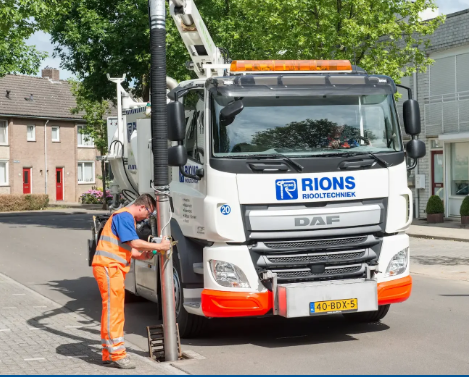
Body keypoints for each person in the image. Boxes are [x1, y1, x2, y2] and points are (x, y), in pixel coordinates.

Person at [92, 193, 171, 369]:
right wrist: (159, 246)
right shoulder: (124, 216)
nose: (148, 217)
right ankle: (118, 354)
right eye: (149, 213)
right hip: (110, 268)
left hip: (110, 267)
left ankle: (108, 353)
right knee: (115, 312)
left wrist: (147, 254)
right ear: (142, 207)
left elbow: (129, 250)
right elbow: (134, 243)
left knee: (111, 310)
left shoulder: (124, 218)